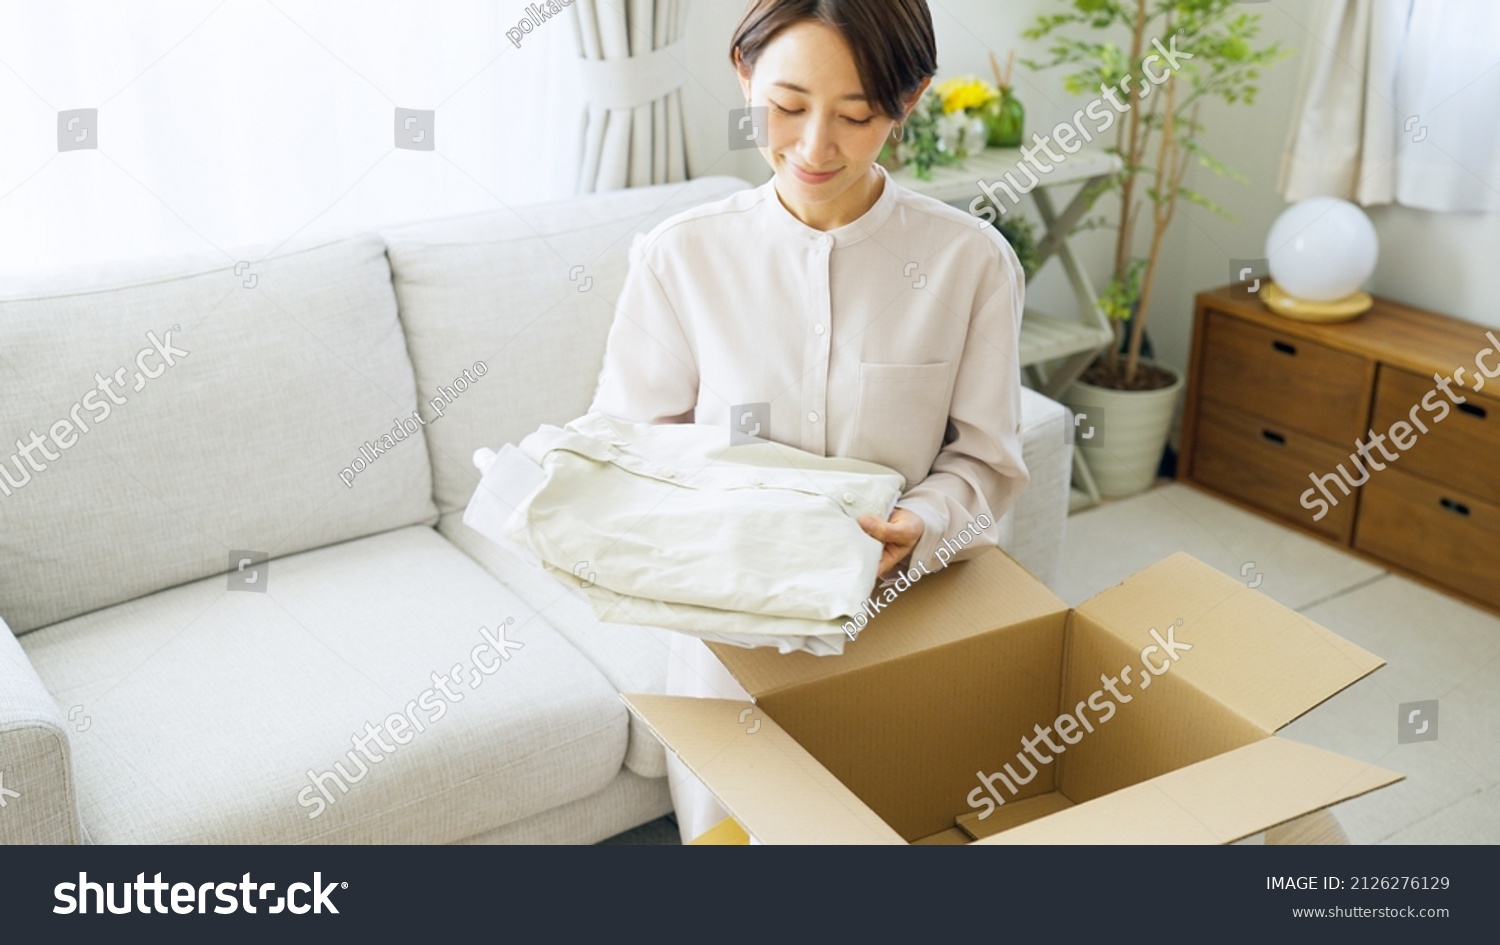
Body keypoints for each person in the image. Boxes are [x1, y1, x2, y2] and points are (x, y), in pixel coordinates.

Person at [587, 0, 1029, 843]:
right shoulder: (683, 255)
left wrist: (921, 522)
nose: (814, 146)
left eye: (856, 115)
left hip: (904, 634)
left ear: (911, 101)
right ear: (745, 74)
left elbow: (989, 465)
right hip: (730, 654)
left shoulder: (969, 265)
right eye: (787, 107)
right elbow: (626, 444)